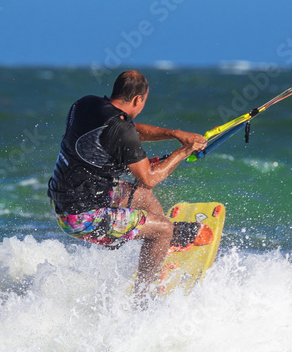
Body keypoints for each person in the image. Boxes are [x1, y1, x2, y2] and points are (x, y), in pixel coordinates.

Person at [48, 69, 208, 295]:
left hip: (64, 202)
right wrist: (184, 152)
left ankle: (166, 247)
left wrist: (175, 133)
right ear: (138, 99)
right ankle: (141, 298)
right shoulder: (121, 129)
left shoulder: (85, 104)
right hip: (82, 218)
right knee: (162, 229)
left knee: (143, 196)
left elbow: (130, 132)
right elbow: (149, 178)